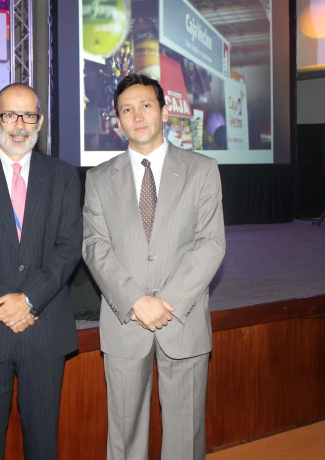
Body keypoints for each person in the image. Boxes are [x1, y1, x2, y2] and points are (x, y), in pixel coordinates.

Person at [82, 73, 226, 460]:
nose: (137, 115)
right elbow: (95, 246)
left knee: (185, 433)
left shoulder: (202, 169)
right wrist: (135, 301)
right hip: (125, 320)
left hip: (184, 317)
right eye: (126, 110)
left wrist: (167, 301)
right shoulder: (98, 179)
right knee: (124, 436)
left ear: (164, 110)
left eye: (146, 105)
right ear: (117, 122)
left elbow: (211, 244)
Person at [0, 83, 82, 459]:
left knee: (43, 442)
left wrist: (29, 299)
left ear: (40, 122)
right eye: (10, 114)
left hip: (45, 327)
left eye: (29, 115)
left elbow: (70, 246)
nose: (20, 124)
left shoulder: (63, 176)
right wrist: (4, 305)